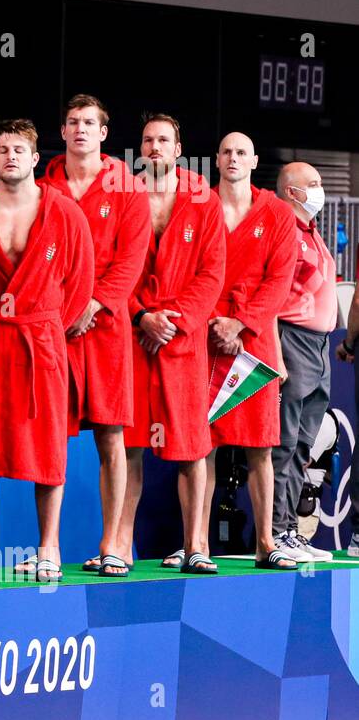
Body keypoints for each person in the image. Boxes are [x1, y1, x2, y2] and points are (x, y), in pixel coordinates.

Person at [0, 119, 93, 582]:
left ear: (36, 159)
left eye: (19, 149)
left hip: (41, 344)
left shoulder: (65, 214)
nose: (10, 156)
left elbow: (80, 284)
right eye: (3, 149)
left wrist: (49, 325)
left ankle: (49, 549)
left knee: (49, 448)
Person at [41, 95, 149, 578]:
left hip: (106, 329)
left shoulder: (128, 188)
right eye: (72, 123)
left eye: (89, 123)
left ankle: (111, 543)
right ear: (62, 131)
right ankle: (49, 547)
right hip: (55, 328)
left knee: (112, 436)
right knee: (51, 440)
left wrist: (95, 302)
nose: (80, 129)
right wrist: (64, 308)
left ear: (104, 133)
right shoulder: (44, 186)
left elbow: (132, 260)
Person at [123, 114, 225, 575]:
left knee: (191, 446)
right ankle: (119, 545)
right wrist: (141, 315)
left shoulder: (202, 198)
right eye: (148, 140)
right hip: (133, 338)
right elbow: (110, 266)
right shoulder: (124, 193)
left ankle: (195, 543)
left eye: (164, 140)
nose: (155, 147)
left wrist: (174, 321)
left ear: (178, 148)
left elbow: (212, 273)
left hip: (183, 342)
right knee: (127, 445)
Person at [203, 134, 298, 569]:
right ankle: (196, 545)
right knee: (201, 446)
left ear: (254, 160)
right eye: (226, 152)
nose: (233, 158)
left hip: (253, 342)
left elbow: (279, 281)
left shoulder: (277, 214)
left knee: (260, 446)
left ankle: (265, 541)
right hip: (203, 339)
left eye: (242, 152)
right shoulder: (198, 206)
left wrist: (239, 322)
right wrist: (210, 322)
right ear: (217, 160)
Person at [277, 161, 339, 562]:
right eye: (312, 184)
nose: (319, 190)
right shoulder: (283, 231)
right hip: (292, 340)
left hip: (320, 345)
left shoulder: (313, 234)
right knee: (283, 442)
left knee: (304, 445)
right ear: (291, 192)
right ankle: (277, 529)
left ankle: (291, 531)